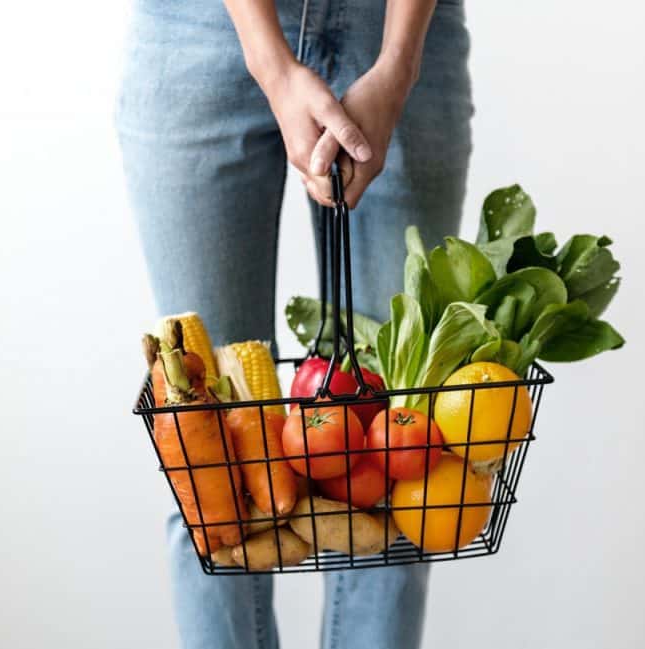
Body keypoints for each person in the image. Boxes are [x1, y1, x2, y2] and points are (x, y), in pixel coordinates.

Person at [115, 1, 472, 647]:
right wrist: (269, 60)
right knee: (207, 459)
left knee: (402, 453)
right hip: (201, 29)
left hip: (397, 30)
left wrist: (399, 63)